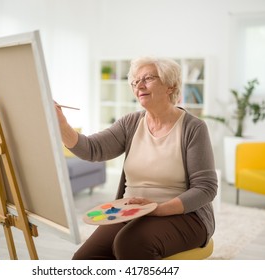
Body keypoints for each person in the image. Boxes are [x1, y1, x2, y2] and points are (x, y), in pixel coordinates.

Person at [54, 56, 217, 260]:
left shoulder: (193, 128)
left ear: (170, 85)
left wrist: (158, 210)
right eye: (135, 81)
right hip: (131, 211)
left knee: (129, 244)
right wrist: (61, 125)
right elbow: (92, 149)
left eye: (148, 78)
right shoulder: (130, 123)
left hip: (184, 215)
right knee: (84, 260)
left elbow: (206, 188)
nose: (139, 85)